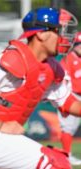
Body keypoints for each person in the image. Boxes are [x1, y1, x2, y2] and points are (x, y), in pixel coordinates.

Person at [0, 7, 81, 169]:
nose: (64, 37)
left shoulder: (51, 69)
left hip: (0, 140)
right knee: (57, 163)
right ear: (41, 34)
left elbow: (70, 103)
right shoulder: (14, 58)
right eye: (58, 31)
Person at [57, 31, 81, 166]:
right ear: (75, 45)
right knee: (68, 128)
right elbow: (63, 81)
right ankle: (67, 155)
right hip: (72, 96)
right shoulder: (67, 59)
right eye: (79, 44)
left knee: (71, 127)